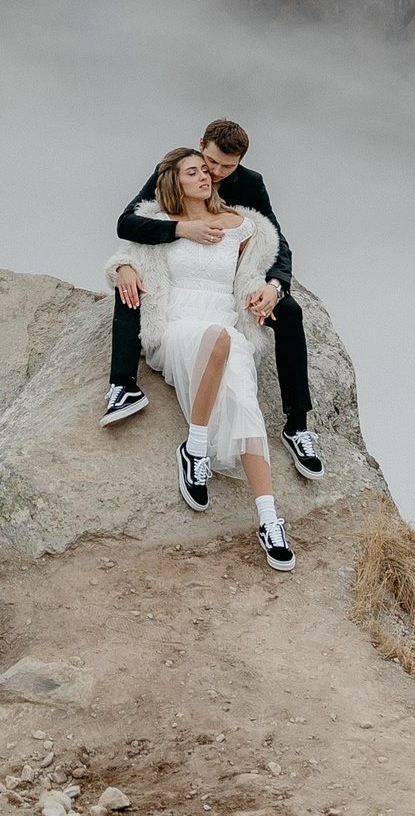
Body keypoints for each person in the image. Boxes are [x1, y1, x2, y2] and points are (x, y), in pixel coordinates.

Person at [100, 118, 323, 485]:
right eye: (211, 162)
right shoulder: (176, 170)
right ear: (201, 144)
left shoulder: (251, 185)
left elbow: (276, 239)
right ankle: (123, 385)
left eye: (227, 167)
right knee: (131, 281)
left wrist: (275, 284)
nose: (215, 173)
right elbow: (129, 223)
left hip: (235, 278)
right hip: (183, 273)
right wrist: (180, 229)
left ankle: (297, 426)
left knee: (290, 312)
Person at [103, 147, 296, 571]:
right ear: (176, 183)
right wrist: (122, 269)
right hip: (177, 325)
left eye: (206, 171)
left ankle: (268, 519)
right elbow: (127, 252)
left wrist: (270, 290)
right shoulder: (159, 224)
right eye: (194, 172)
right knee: (218, 339)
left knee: (246, 406)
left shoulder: (244, 226)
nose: (206, 176)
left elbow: (265, 267)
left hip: (226, 319)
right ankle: (197, 447)